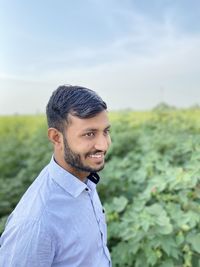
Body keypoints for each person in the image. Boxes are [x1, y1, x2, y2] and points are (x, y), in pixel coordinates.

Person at [0, 85, 112, 267]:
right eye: (89, 134)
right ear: (56, 137)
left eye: (105, 131)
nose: (103, 145)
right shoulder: (35, 224)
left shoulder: (84, 178)